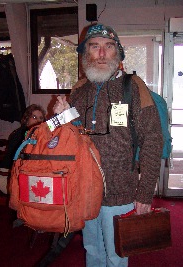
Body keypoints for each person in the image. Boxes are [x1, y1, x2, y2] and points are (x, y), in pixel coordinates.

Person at [53, 23, 163, 267]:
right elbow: (67, 134)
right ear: (85, 54)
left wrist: (145, 192)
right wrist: (59, 116)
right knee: (92, 249)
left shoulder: (134, 88)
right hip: (84, 189)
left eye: (108, 47)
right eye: (95, 47)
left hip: (121, 191)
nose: (101, 54)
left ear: (118, 53)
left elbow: (153, 140)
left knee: (116, 255)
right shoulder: (79, 90)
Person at [0, 104, 46, 194]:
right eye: (34, 117)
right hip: (8, 176)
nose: (38, 121)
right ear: (27, 120)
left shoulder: (38, 135)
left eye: (41, 118)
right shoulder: (21, 134)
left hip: (22, 174)